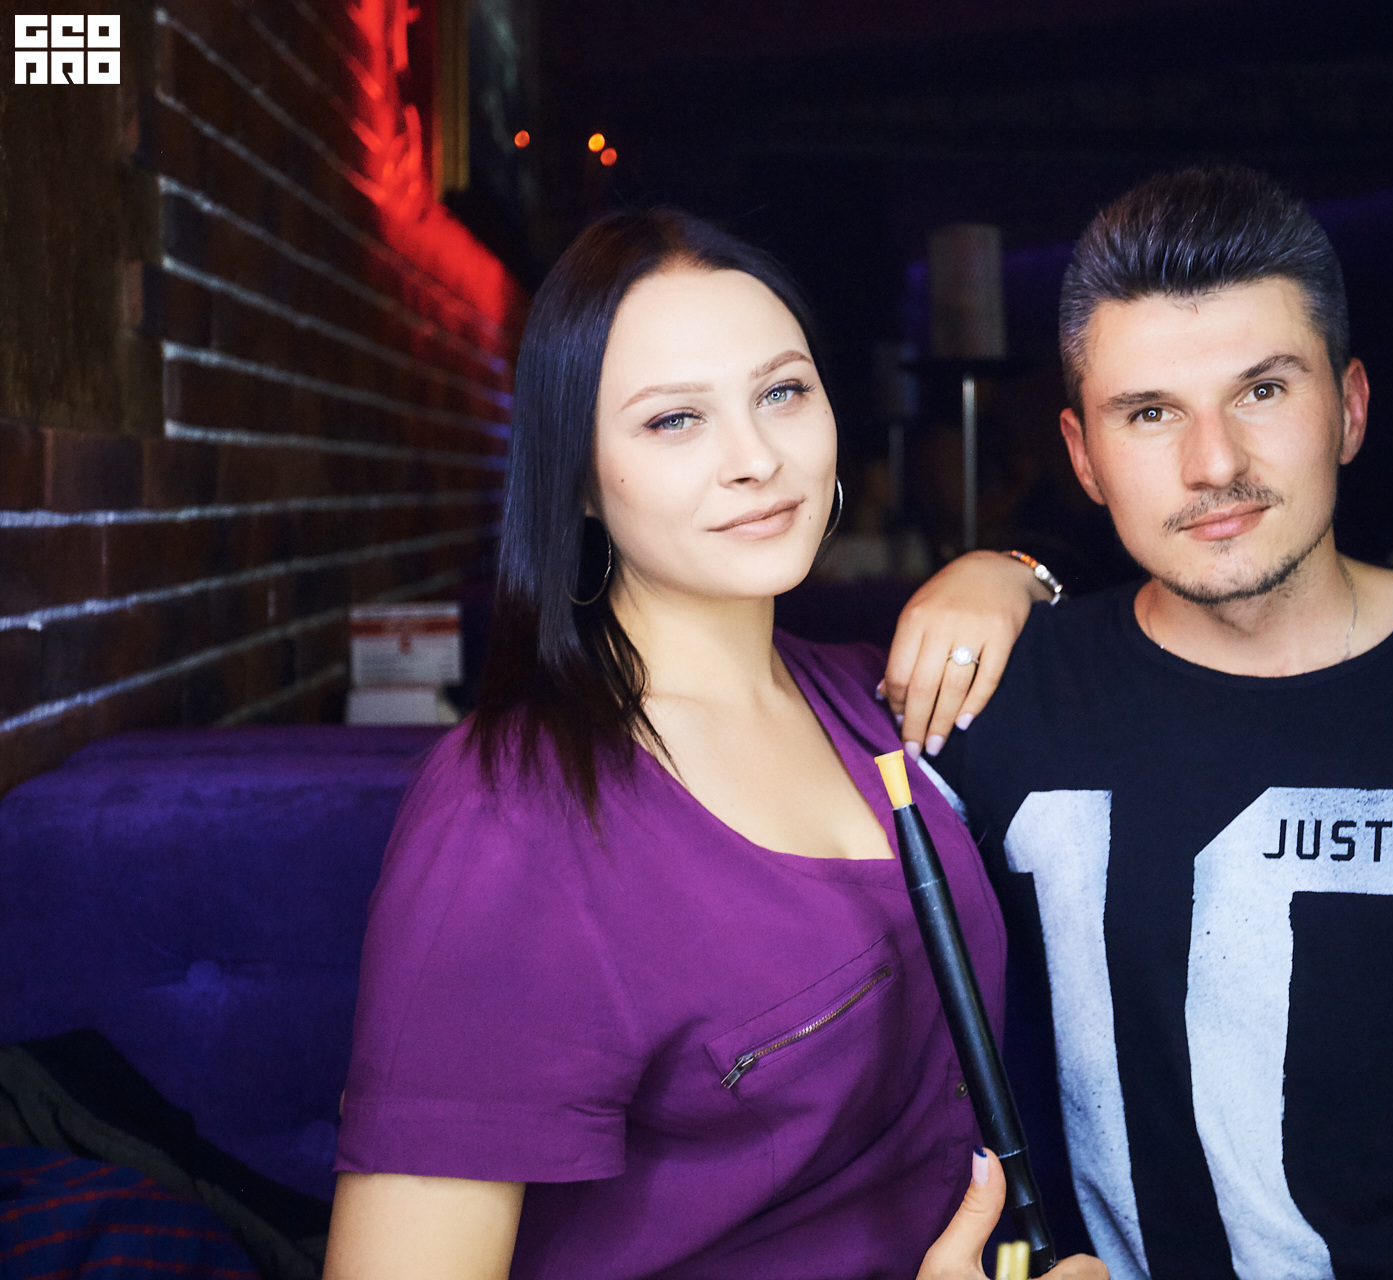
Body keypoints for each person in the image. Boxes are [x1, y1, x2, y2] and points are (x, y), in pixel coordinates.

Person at [882, 165, 1393, 1279]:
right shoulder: (994, 701)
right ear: (1084, 457)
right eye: (1150, 413)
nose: (1215, 463)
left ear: (1351, 407)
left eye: (1264, 390)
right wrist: (1009, 571)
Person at [321, 210, 1102, 1280]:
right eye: (675, 419)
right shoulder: (511, 811)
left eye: (782, 393)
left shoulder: (866, 694)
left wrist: (1012, 571)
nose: (756, 458)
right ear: (580, 476)